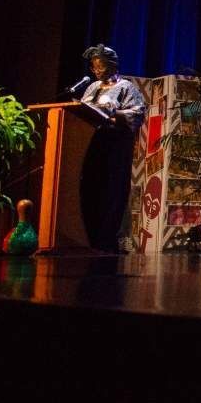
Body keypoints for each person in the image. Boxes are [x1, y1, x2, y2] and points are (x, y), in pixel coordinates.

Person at [77, 44, 146, 251]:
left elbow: (138, 113)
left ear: (113, 66)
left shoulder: (126, 87)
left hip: (115, 145)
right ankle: (87, 234)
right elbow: (82, 110)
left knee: (112, 188)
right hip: (90, 144)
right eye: (95, 68)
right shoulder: (91, 88)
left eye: (102, 67)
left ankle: (107, 238)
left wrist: (114, 115)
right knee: (91, 187)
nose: (98, 72)